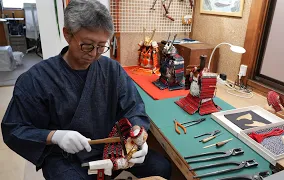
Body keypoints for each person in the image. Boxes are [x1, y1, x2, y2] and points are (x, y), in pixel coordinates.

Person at [1, 0, 171, 179]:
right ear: (67, 34)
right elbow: (14, 129)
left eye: (101, 46)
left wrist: (138, 137)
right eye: (88, 45)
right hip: (67, 158)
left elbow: (134, 108)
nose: (94, 53)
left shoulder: (112, 70)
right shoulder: (36, 79)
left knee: (160, 167)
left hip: (115, 148)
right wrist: (54, 136)